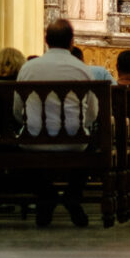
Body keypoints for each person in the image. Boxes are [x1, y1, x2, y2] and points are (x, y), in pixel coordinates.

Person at [15, 18, 94, 227]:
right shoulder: (83, 70)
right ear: (71, 42)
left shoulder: (28, 69)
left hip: (33, 139)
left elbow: (16, 110)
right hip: (74, 141)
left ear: (46, 40)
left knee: (18, 149)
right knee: (92, 145)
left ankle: (46, 194)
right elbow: (93, 113)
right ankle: (72, 194)